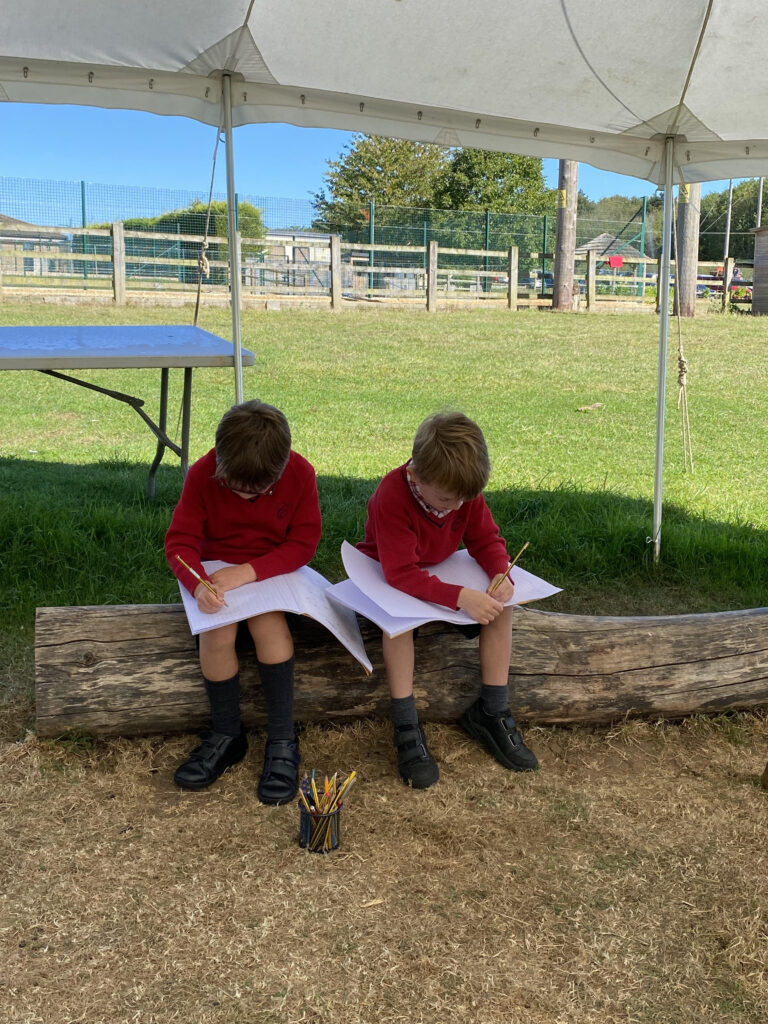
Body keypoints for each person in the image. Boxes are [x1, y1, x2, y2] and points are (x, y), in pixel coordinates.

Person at [357, 411, 538, 789]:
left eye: (463, 499)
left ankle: (492, 709)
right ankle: (406, 724)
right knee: (398, 626)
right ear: (416, 476)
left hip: (438, 573)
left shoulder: (459, 490)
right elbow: (400, 574)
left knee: (502, 609)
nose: (455, 506)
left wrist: (499, 571)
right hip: (385, 576)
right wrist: (459, 598)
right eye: (446, 498)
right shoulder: (391, 495)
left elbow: (485, 539)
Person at [165, 400, 321, 802]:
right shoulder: (202, 474)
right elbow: (179, 542)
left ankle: (283, 739)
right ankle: (226, 733)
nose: (247, 497)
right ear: (219, 461)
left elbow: (303, 543)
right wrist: (198, 582)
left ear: (281, 468)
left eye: (259, 491)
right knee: (216, 634)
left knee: (270, 627)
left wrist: (248, 572)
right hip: (216, 575)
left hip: (271, 573)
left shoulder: (301, 474)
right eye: (235, 488)